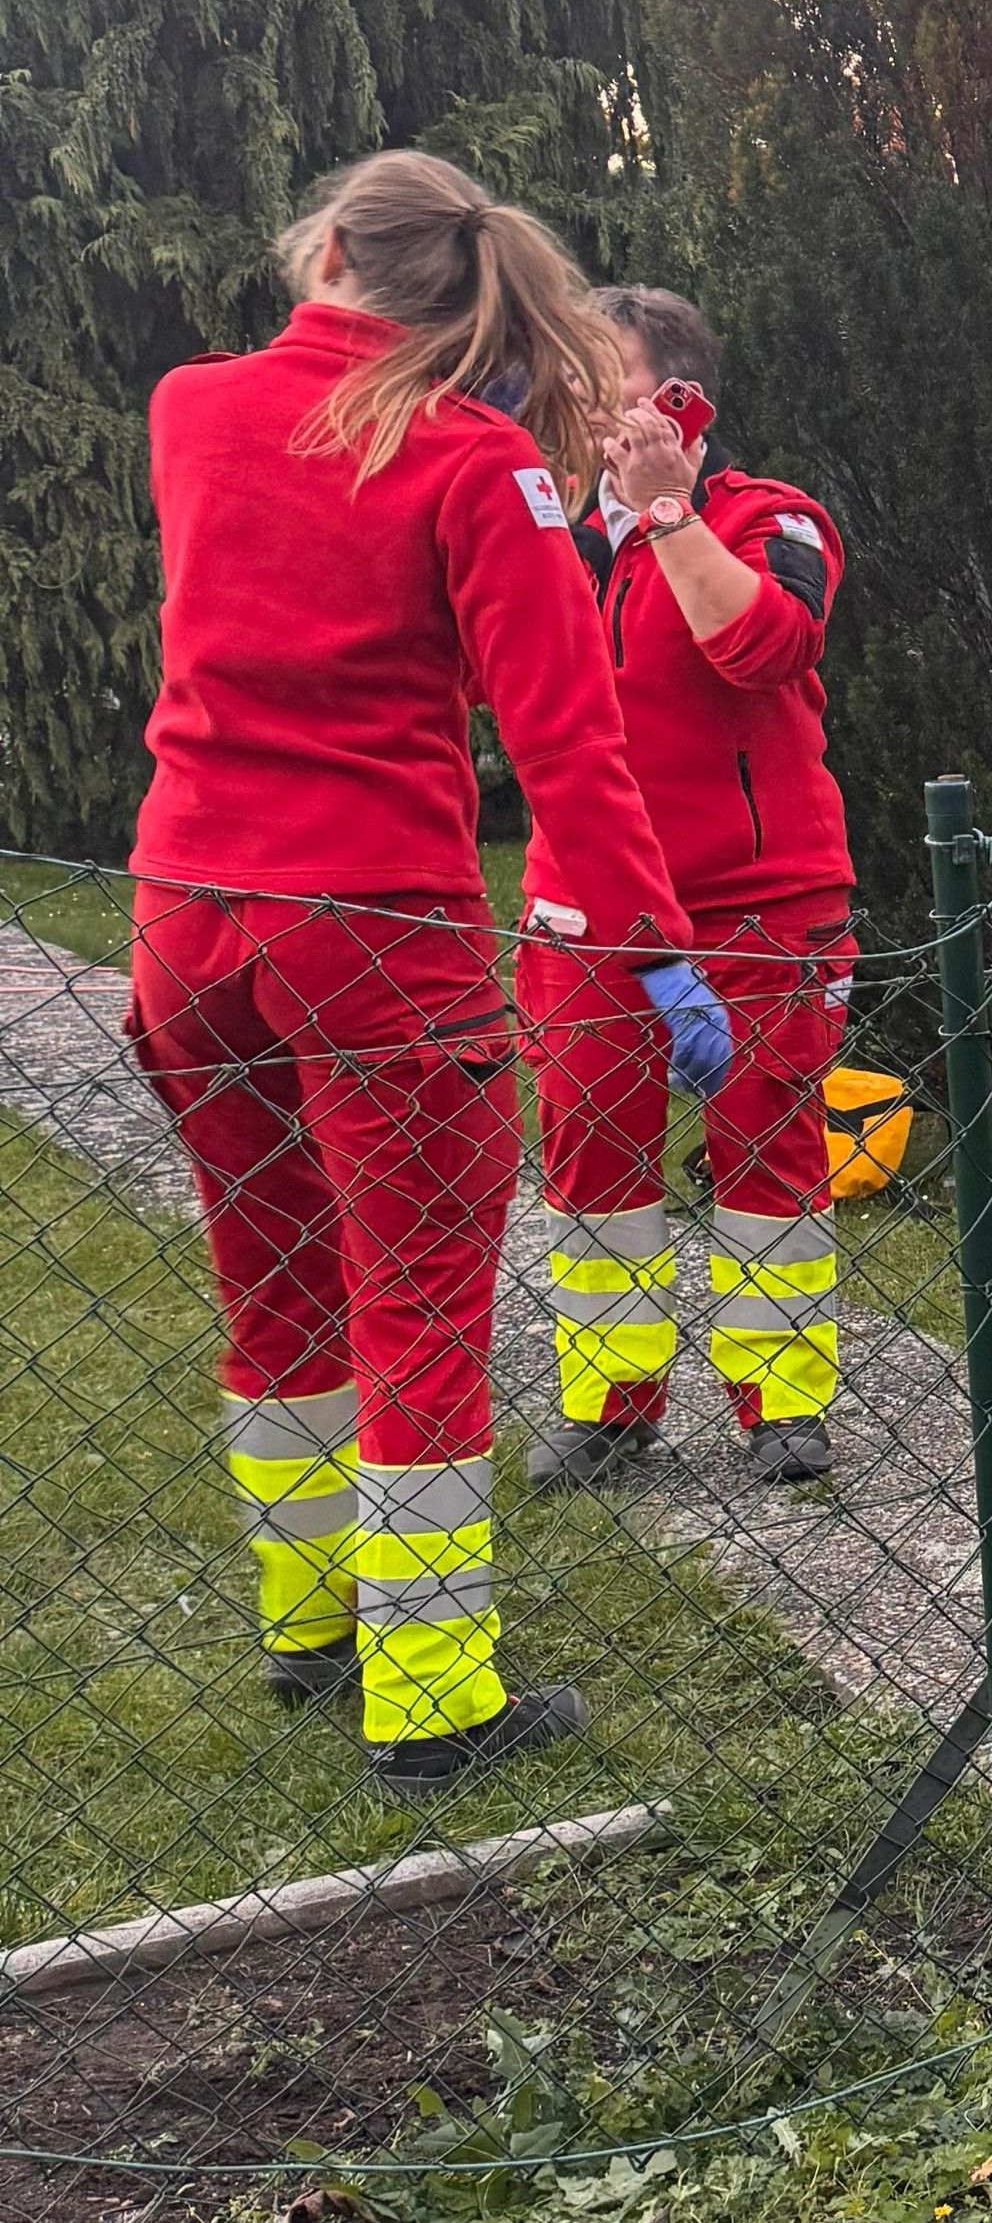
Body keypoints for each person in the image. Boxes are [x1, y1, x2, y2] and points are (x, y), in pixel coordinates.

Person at [123, 150, 722, 1787]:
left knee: (274, 1290)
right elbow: (571, 751)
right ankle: (435, 1691)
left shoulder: (188, 408)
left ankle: (307, 1623)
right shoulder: (468, 460)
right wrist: (660, 961)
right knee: (418, 1315)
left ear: (323, 248)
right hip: (378, 937)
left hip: (189, 917)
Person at [518, 288, 863, 1492]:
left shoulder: (776, 520)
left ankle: (781, 1401)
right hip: (590, 906)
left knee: (766, 1144)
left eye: (594, 382)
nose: (570, 405)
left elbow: (759, 647)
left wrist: (667, 513)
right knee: (590, 1151)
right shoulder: (544, 532)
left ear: (677, 400)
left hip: (759, 899)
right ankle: (610, 1402)